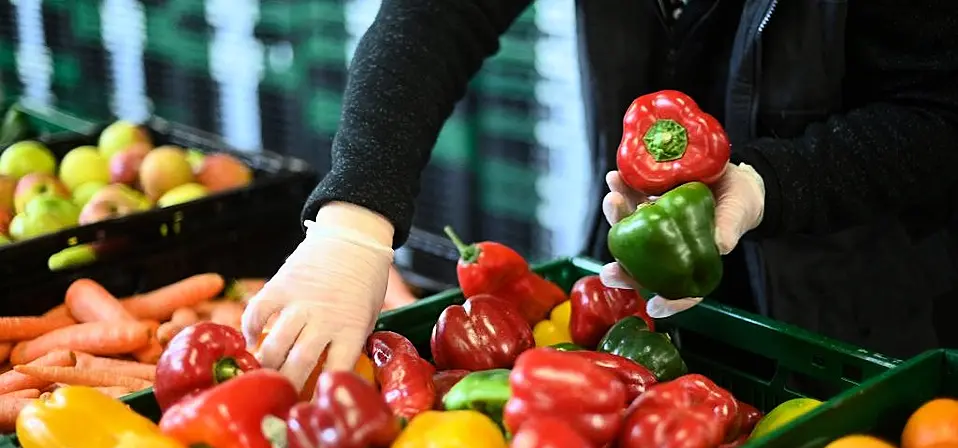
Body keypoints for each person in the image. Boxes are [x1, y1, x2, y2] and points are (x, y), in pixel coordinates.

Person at [243, 0, 958, 391]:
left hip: (861, 320)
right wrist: (353, 224)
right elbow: (438, 17)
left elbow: (939, 110)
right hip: (630, 267)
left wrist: (772, 184)